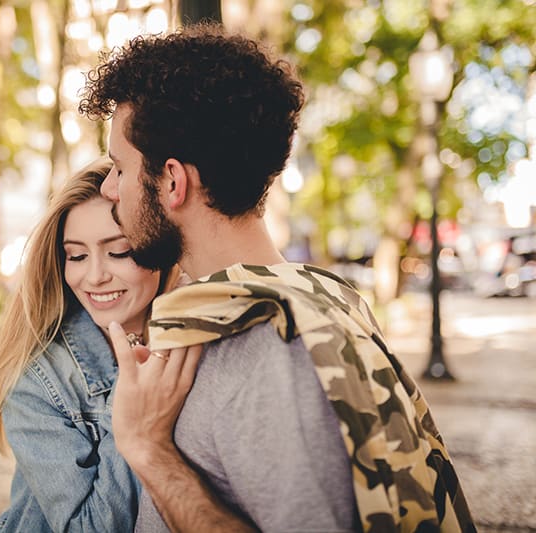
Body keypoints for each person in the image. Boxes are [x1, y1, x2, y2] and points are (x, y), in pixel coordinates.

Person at [79, 23, 475, 532]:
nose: (110, 189)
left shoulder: (271, 349)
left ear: (173, 182)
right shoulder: (307, 298)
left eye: (119, 168)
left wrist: (148, 449)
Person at [0, 158, 193, 532]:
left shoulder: (199, 334)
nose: (94, 276)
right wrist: (133, 419)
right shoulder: (38, 379)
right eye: (76, 256)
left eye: (120, 251)